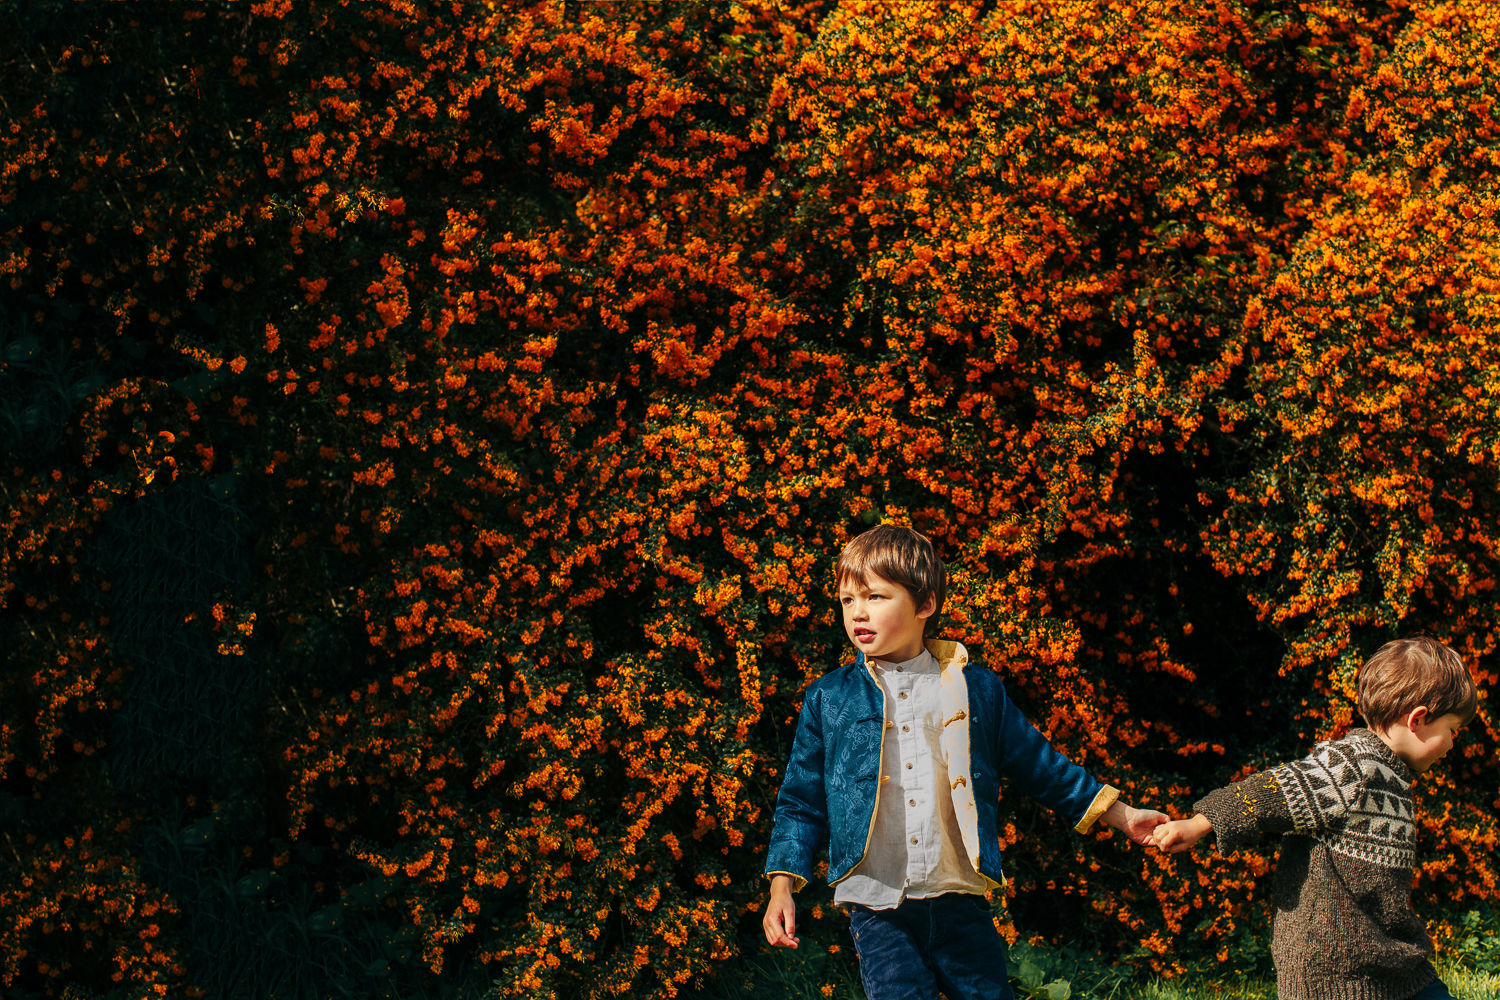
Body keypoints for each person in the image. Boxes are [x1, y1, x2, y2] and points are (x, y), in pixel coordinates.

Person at [762, 523, 1166, 1000]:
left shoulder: (975, 690)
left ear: (925, 603)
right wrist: (781, 886)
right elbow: (800, 800)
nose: (857, 613)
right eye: (847, 600)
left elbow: (1042, 767)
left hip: (960, 897)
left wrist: (1123, 816)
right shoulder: (829, 698)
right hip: (876, 902)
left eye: (874, 597)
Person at [1153, 635, 1478, 1000]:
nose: (1453, 743)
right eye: (1452, 729)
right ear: (1418, 719)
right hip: (1338, 976)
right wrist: (1199, 824)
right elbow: (1272, 789)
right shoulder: (1352, 765)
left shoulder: (1393, 775)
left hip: (1394, 962)